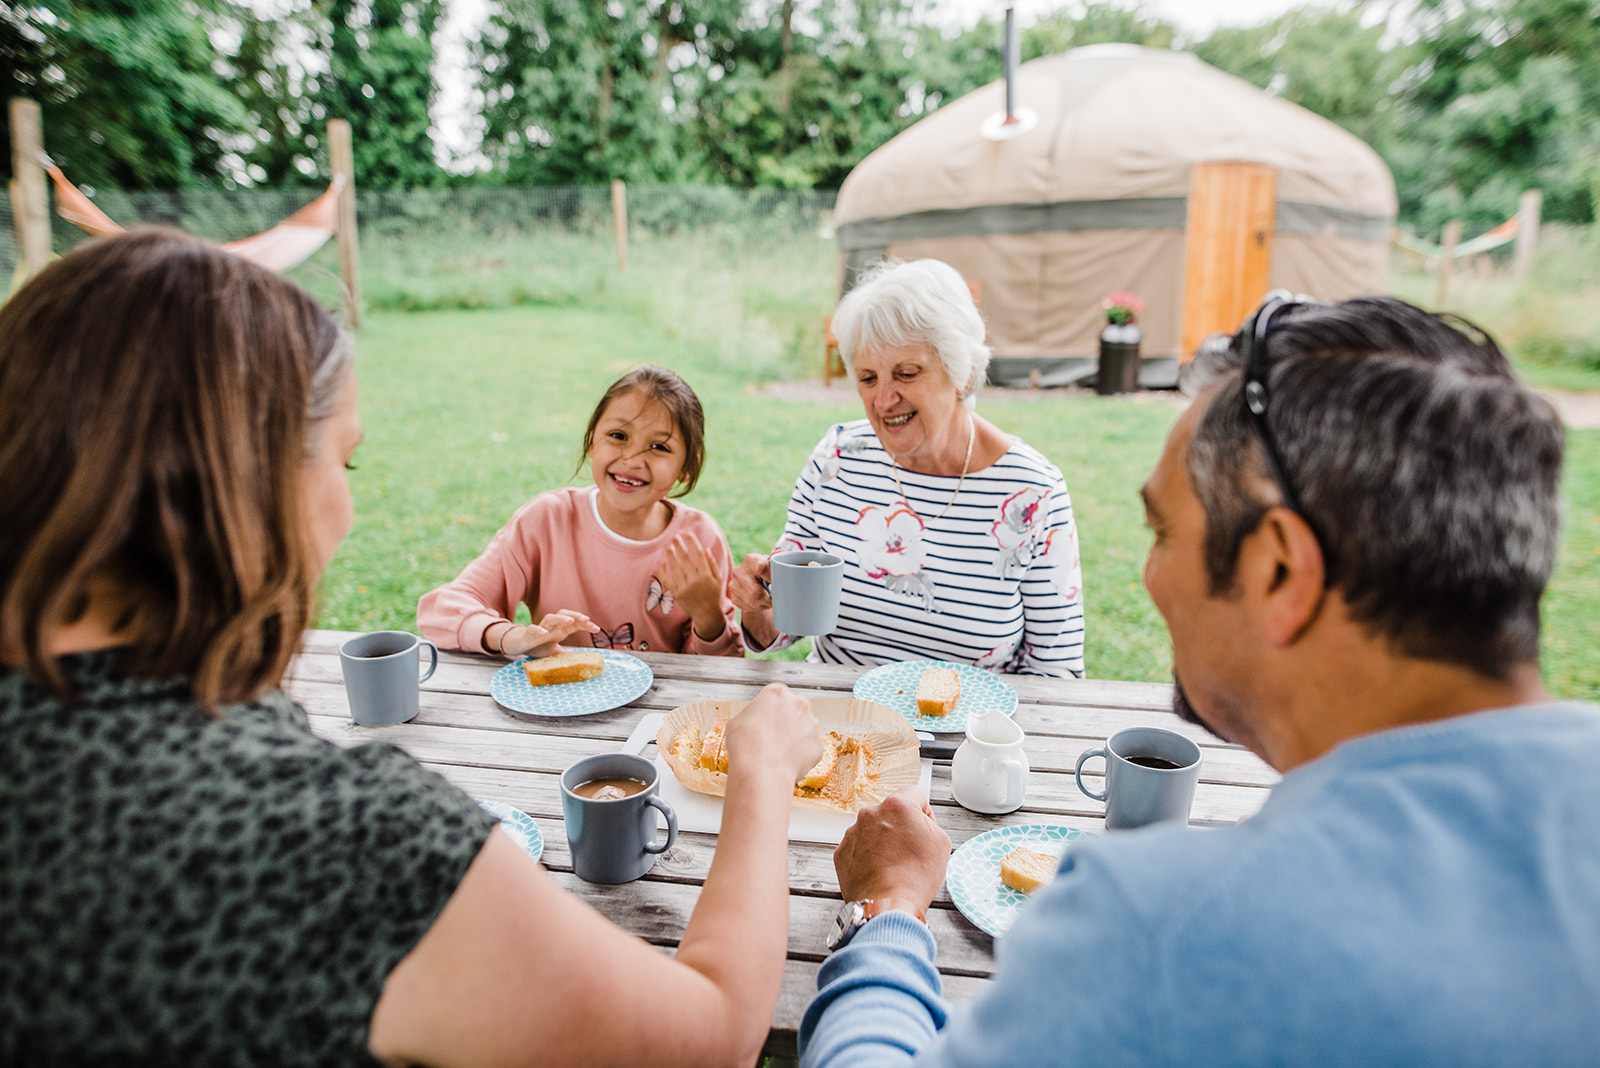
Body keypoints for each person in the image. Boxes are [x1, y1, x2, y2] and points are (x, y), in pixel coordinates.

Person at [0, 230, 823, 1065]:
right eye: (345, 464)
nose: (346, 512)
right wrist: (759, 777)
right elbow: (709, 1039)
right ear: (235, 485)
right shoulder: (346, 839)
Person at [798, 296, 1596, 1065]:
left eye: (1163, 532)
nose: (1148, 578)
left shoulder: (1155, 924)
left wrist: (889, 909)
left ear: (1280, 569)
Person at [730, 259, 1086, 676]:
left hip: (966, 730)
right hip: (842, 726)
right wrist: (758, 604)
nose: (883, 400)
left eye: (906, 373)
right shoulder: (836, 461)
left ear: (962, 372)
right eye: (867, 378)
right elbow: (784, 625)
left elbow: (1056, 671)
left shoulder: (1033, 492)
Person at [418, 365, 743, 659]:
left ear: (685, 469)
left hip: (662, 716)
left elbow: (720, 675)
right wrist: (510, 637)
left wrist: (709, 617)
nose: (631, 459)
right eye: (618, 436)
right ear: (592, 443)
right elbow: (441, 610)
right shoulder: (546, 521)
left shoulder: (699, 540)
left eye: (659, 447)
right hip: (559, 708)